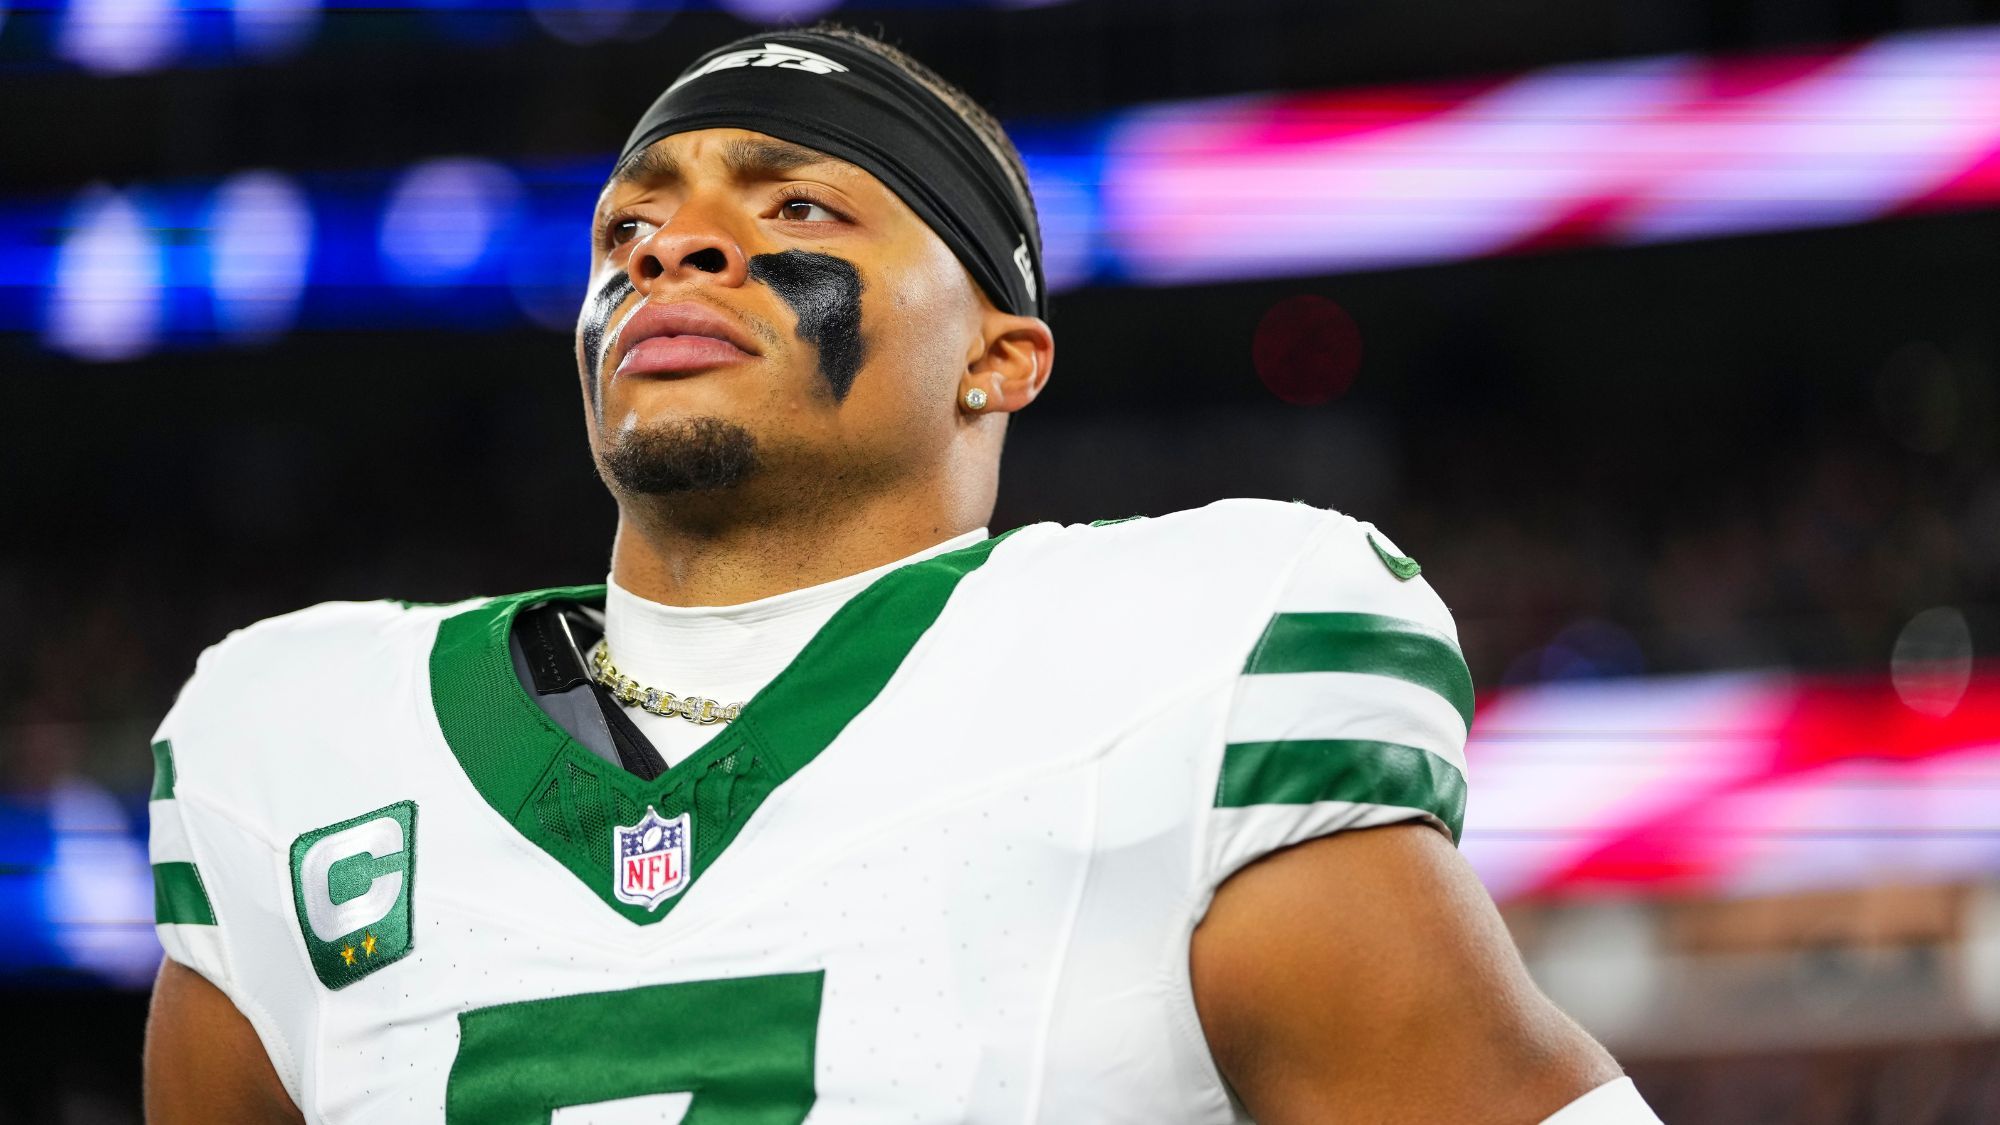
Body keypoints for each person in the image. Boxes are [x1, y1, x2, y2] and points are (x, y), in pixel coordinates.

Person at [142, 24, 1661, 1124]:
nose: (676, 249)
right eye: (633, 224)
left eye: (795, 206)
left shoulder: (1183, 662)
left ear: (998, 357)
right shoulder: (294, 737)